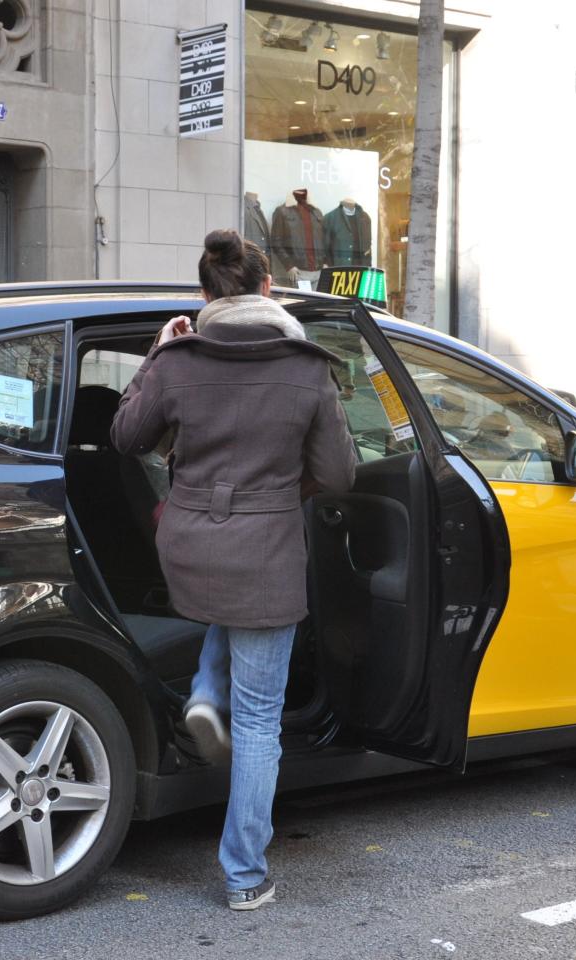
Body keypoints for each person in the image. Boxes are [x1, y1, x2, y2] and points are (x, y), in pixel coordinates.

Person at [110, 229, 356, 911]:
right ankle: (245, 875)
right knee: (257, 722)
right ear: (268, 287)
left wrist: (156, 353)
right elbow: (339, 474)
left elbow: (127, 437)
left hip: (189, 545)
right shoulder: (307, 366)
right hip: (266, 550)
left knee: (230, 606)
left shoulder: (179, 358)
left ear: (204, 294)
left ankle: (201, 688)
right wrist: (278, 493)